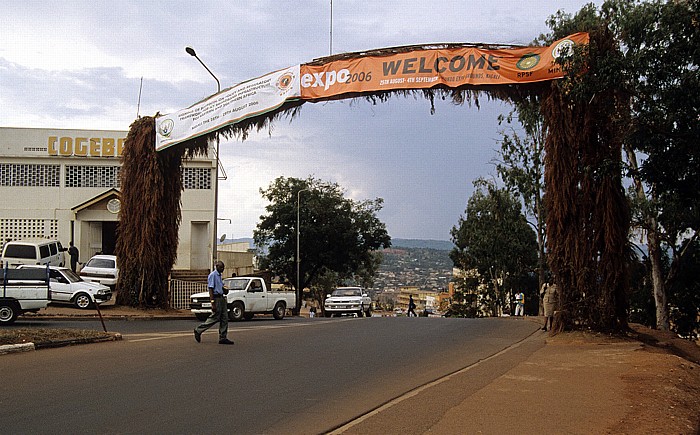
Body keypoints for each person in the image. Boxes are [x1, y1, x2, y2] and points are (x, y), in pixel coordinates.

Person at [194, 261, 234, 345]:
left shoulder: (219, 276)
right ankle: (199, 330)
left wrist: (225, 290)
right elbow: (211, 289)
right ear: (216, 266)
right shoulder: (213, 275)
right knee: (215, 317)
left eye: (223, 268)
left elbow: (221, 287)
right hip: (216, 298)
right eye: (220, 267)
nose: (222, 269)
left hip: (222, 298)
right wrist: (212, 303)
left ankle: (223, 337)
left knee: (224, 318)